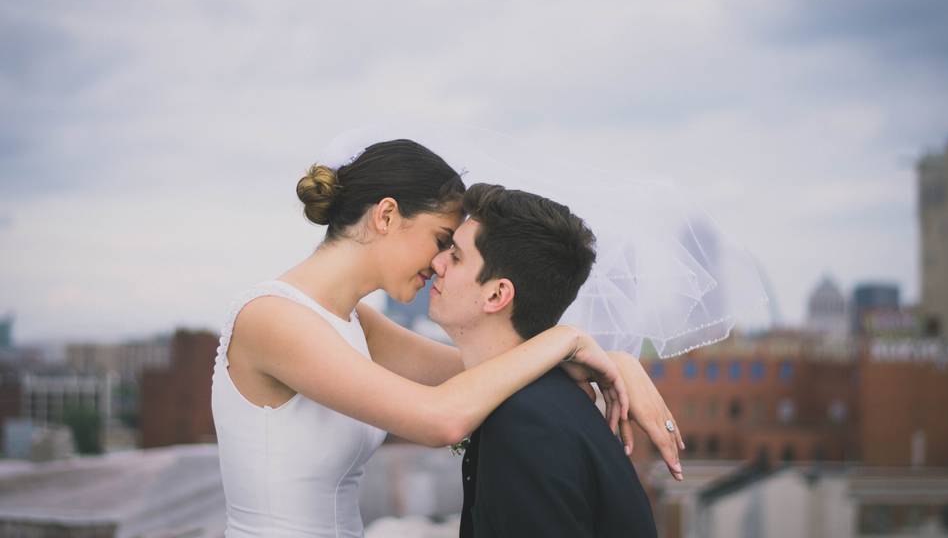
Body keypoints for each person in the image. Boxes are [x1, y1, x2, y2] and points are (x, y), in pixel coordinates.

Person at [211, 139, 680, 538]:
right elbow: (441, 419)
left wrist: (619, 365)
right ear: (387, 216)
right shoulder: (271, 319)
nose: (439, 261)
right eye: (441, 239)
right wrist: (568, 338)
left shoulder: (356, 324)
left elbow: (483, 374)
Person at [428, 183, 660, 537]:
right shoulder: (538, 399)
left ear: (497, 294)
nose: (437, 262)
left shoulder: (525, 421)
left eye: (456, 256)